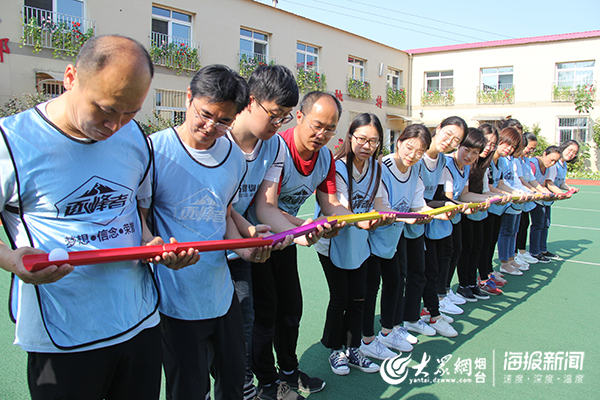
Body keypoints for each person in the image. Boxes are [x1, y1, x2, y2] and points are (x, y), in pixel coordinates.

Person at [0, 35, 197, 400]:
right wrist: (13, 260)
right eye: (105, 109)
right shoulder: (12, 141)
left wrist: (149, 243)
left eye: (131, 112)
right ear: (71, 77)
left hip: (139, 324)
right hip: (64, 337)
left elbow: (132, 210)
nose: (115, 125)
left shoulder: (134, 137)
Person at [143, 65, 276, 400]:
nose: (211, 127)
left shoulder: (232, 154)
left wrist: (245, 247)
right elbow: (139, 219)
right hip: (176, 301)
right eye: (205, 115)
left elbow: (225, 212)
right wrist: (153, 248)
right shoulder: (155, 151)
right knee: (188, 388)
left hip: (220, 293)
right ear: (188, 97)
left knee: (233, 381)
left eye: (224, 121)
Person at [252, 91, 347, 398]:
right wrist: (305, 227)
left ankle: (290, 372)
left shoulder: (325, 158)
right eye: (318, 125)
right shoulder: (277, 147)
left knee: (291, 309)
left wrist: (354, 219)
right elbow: (263, 206)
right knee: (265, 315)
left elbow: (330, 203)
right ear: (300, 117)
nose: (322, 134)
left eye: (330, 129)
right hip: (258, 241)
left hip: (288, 238)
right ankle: (267, 382)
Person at [227, 64, 298, 400]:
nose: (279, 124)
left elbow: (266, 205)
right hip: (200, 249)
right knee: (202, 337)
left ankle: (245, 391)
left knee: (243, 324)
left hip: (238, 249)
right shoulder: (218, 139)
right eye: (274, 115)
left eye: (285, 117)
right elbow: (220, 208)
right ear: (251, 101)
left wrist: (295, 234)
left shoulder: (275, 147)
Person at [315, 113, 394, 375]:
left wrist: (385, 216)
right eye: (361, 139)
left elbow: (379, 204)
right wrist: (365, 221)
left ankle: (353, 349)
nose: (367, 146)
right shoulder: (337, 167)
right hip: (333, 241)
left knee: (359, 297)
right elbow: (341, 208)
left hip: (360, 242)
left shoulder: (377, 167)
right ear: (350, 137)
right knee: (340, 297)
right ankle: (335, 350)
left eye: (373, 141)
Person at [361, 123, 433, 359]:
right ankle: (366, 339)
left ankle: (388, 332)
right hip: (371, 238)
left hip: (394, 236)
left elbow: (417, 205)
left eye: (419, 152)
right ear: (399, 141)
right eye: (409, 148)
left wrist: (437, 212)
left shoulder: (415, 171)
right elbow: (380, 206)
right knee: (371, 287)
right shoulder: (382, 167)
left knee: (395, 282)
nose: (412, 155)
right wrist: (411, 217)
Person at [413, 116, 467, 337]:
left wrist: (453, 205)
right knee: (417, 274)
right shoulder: (416, 156)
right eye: (448, 134)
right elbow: (416, 199)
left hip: (430, 222)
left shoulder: (443, 161)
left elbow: (438, 194)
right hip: (414, 221)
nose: (450, 141)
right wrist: (444, 205)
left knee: (432, 269)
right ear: (439, 128)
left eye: (456, 140)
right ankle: (421, 315)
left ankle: (430, 312)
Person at [443, 128, 494, 305]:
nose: (470, 156)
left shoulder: (464, 167)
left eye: (475, 153)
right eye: (467, 150)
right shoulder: (447, 163)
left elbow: (464, 194)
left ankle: (446, 290)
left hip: (454, 217)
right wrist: (464, 207)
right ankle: (439, 296)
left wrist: (489, 198)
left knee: (455, 252)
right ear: (458, 146)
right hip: (441, 218)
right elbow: (448, 198)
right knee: (444, 257)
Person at [528, 146, 562, 263]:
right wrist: (541, 191)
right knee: (536, 225)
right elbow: (529, 182)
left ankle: (541, 250)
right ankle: (534, 252)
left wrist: (553, 193)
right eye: (551, 159)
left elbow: (542, 184)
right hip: (529, 199)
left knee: (544, 223)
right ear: (545, 153)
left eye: (555, 161)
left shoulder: (547, 167)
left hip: (540, 199)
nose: (552, 163)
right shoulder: (533, 164)